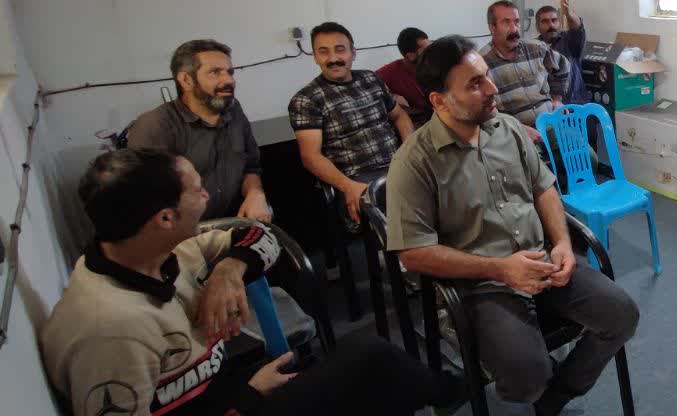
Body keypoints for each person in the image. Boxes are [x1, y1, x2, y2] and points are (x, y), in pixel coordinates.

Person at [41, 148, 458, 416]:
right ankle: (453, 391)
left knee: (374, 380)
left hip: (228, 388)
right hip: (234, 403)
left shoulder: (166, 251)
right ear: (165, 218)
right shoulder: (109, 329)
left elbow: (259, 236)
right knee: (368, 357)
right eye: (197, 191)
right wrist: (248, 397)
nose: (208, 196)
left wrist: (229, 270)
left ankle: (444, 391)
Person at [385, 35, 639, 416]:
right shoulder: (413, 162)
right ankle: (534, 383)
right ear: (439, 101)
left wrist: (562, 243)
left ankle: (558, 393)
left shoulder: (507, 129)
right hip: (483, 285)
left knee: (623, 314)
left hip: (543, 262)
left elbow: (544, 189)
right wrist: (501, 269)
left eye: (487, 75)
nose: (492, 89)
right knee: (526, 379)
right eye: (475, 84)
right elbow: (414, 253)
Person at [128, 39, 271, 222]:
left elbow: (250, 166)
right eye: (215, 72)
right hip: (183, 232)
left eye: (230, 72)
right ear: (186, 80)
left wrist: (255, 193)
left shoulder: (234, 110)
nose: (229, 80)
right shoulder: (155, 125)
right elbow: (149, 203)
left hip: (231, 222)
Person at [288, 21, 414, 224]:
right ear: (315, 57)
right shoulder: (306, 99)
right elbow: (311, 156)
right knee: (405, 219)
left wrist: (410, 151)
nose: (333, 59)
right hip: (357, 178)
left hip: (399, 165)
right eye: (323, 52)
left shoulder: (371, 79)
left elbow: (399, 116)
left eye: (340, 50)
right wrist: (348, 186)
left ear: (353, 53)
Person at [480, 0, 571, 145]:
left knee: (588, 156)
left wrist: (557, 99)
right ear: (492, 27)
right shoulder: (481, 62)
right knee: (536, 161)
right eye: (506, 22)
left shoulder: (536, 48)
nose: (514, 29)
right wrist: (518, 128)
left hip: (551, 124)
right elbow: (483, 110)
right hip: (516, 136)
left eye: (516, 22)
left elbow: (562, 65)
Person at [535, 0, 588, 105]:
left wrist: (568, 14)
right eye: (545, 21)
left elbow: (577, 28)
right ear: (537, 26)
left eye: (554, 20)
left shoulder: (569, 41)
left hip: (575, 106)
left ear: (559, 22)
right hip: (548, 107)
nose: (551, 25)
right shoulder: (533, 48)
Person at [376, 27, 433, 128]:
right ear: (410, 56)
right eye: (427, 50)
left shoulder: (436, 65)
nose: (433, 53)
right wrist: (391, 96)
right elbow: (368, 86)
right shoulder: (389, 72)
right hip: (418, 124)